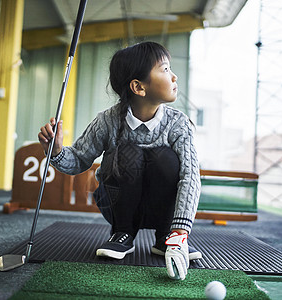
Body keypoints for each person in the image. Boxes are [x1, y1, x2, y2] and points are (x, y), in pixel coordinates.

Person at [38, 41, 201, 280]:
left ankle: (166, 237)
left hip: (163, 210)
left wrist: (180, 232)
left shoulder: (179, 124)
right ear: (138, 87)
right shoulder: (107, 121)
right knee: (128, 152)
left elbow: (190, 176)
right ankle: (123, 233)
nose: (174, 77)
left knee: (165, 158)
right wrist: (56, 151)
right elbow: (79, 160)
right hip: (116, 204)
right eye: (165, 69)